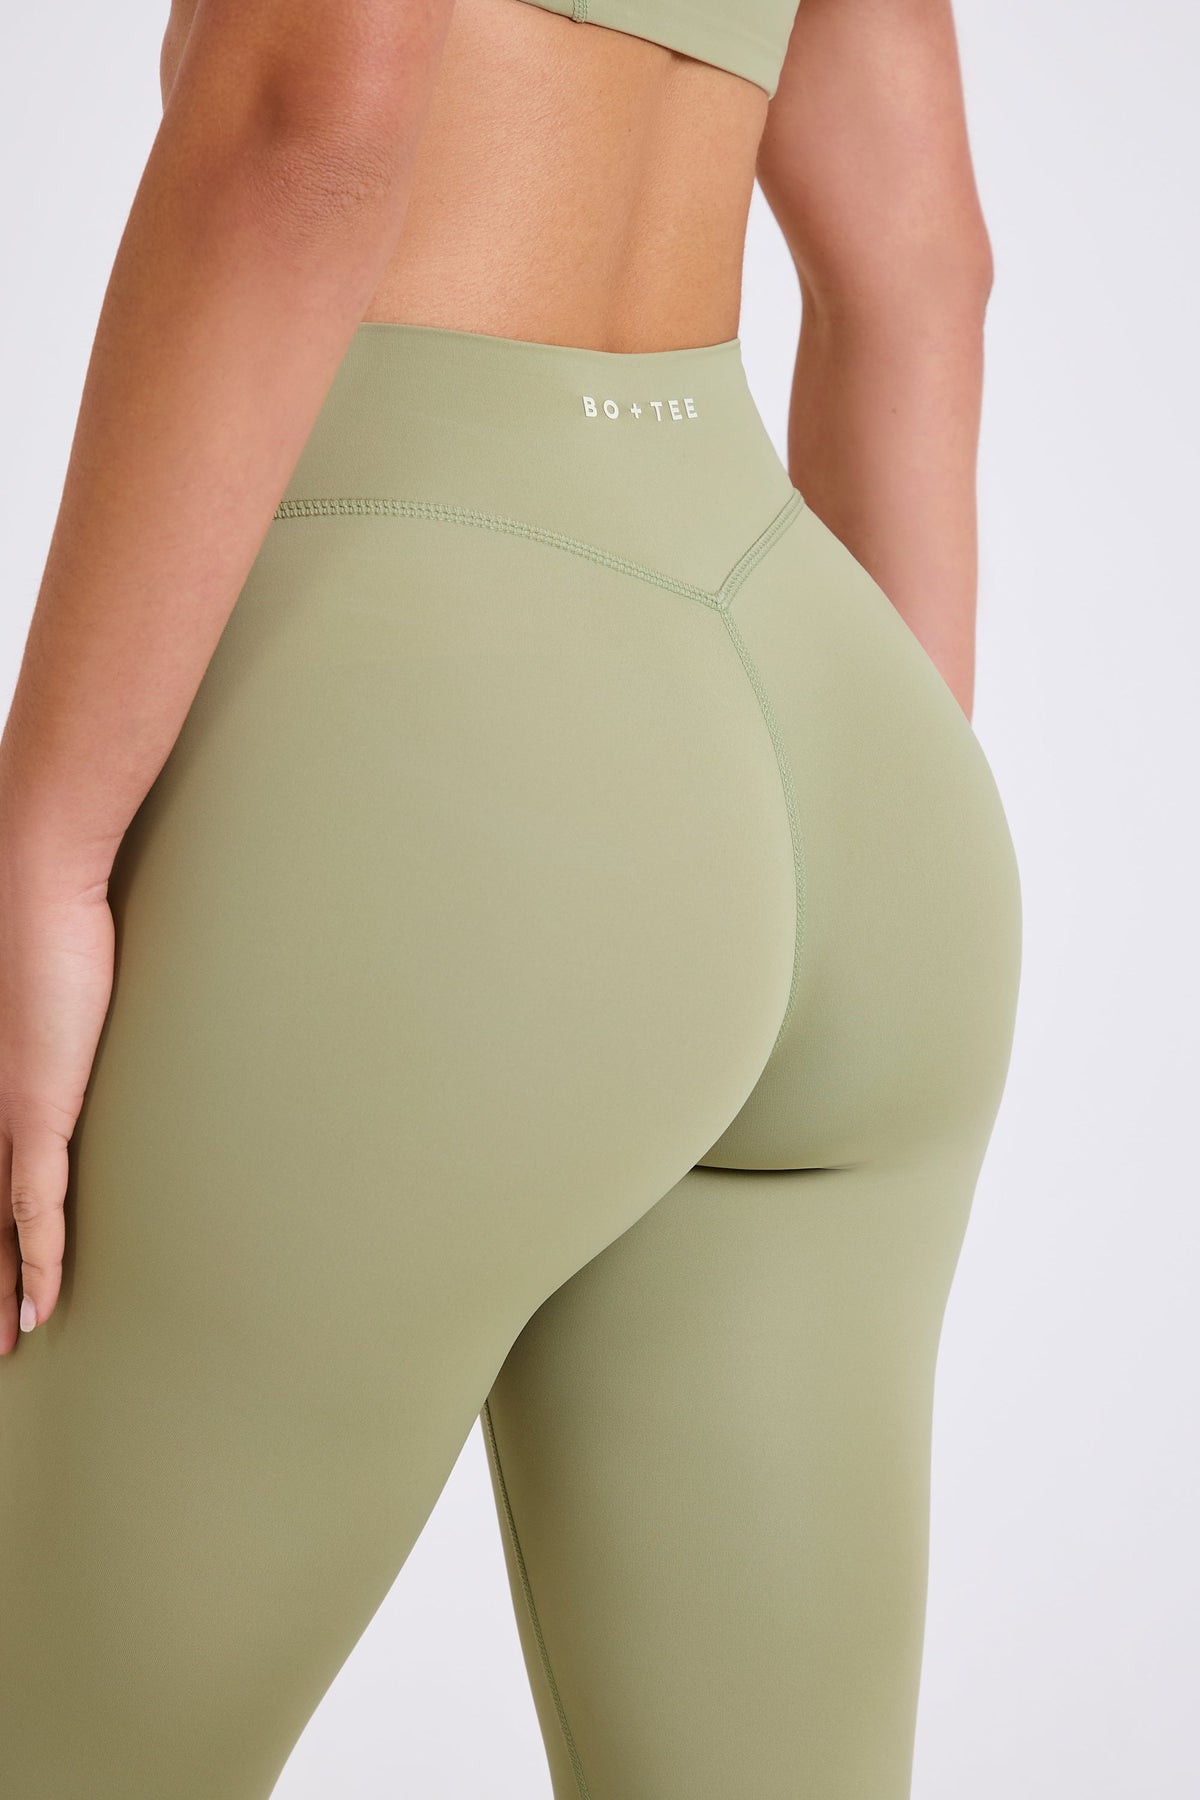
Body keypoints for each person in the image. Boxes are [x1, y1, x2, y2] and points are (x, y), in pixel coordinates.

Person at [0, 0, 1022, 1794]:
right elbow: (919, 257)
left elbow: (313, 111)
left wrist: (51, 842)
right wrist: (782, 860)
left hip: (433, 713)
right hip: (845, 735)